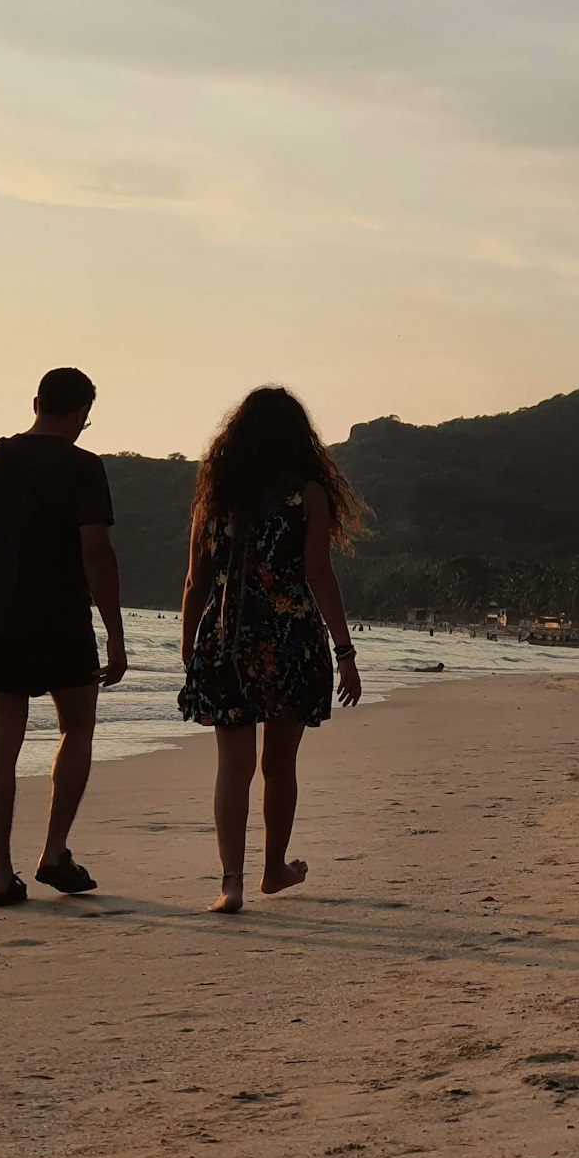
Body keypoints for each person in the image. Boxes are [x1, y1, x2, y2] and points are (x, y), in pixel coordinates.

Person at [179, 386, 362, 914]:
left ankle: (230, 882)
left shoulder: (214, 495)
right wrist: (345, 651)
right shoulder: (307, 494)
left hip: (226, 638)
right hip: (290, 639)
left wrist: (191, 645)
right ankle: (273, 870)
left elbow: (196, 580)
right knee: (280, 764)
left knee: (232, 767)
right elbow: (317, 573)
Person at [0, 367, 128, 907]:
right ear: (81, 414)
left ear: (36, 402)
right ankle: (54, 852)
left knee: (1, 743)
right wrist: (116, 635)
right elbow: (95, 552)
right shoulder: (84, 467)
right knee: (76, 730)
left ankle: (0, 873)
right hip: (61, 623)